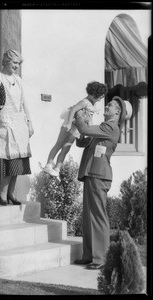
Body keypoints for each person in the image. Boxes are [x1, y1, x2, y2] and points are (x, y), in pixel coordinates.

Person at [74, 96, 132, 269]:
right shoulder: (102, 128)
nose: (107, 106)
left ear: (118, 112)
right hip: (91, 173)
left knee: (98, 216)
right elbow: (83, 141)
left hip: (99, 175)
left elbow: (84, 128)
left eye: (111, 105)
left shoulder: (110, 127)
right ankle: (89, 255)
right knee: (88, 216)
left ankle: (100, 259)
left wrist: (77, 114)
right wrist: (83, 124)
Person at [0, 49, 34, 206]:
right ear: (6, 61)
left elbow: (24, 102)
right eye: (14, 62)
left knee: (19, 161)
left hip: (20, 123)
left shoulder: (18, 80)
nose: (17, 66)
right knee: (9, 160)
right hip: (6, 123)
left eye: (19, 63)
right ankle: (2, 193)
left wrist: (30, 122)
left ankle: (11, 193)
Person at [44, 81, 108, 177]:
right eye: (99, 97)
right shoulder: (84, 102)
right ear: (94, 94)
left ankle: (57, 168)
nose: (100, 99)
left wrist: (88, 130)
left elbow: (89, 119)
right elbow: (73, 110)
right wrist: (69, 123)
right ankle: (48, 165)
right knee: (59, 144)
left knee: (66, 148)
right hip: (70, 125)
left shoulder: (92, 105)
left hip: (76, 130)